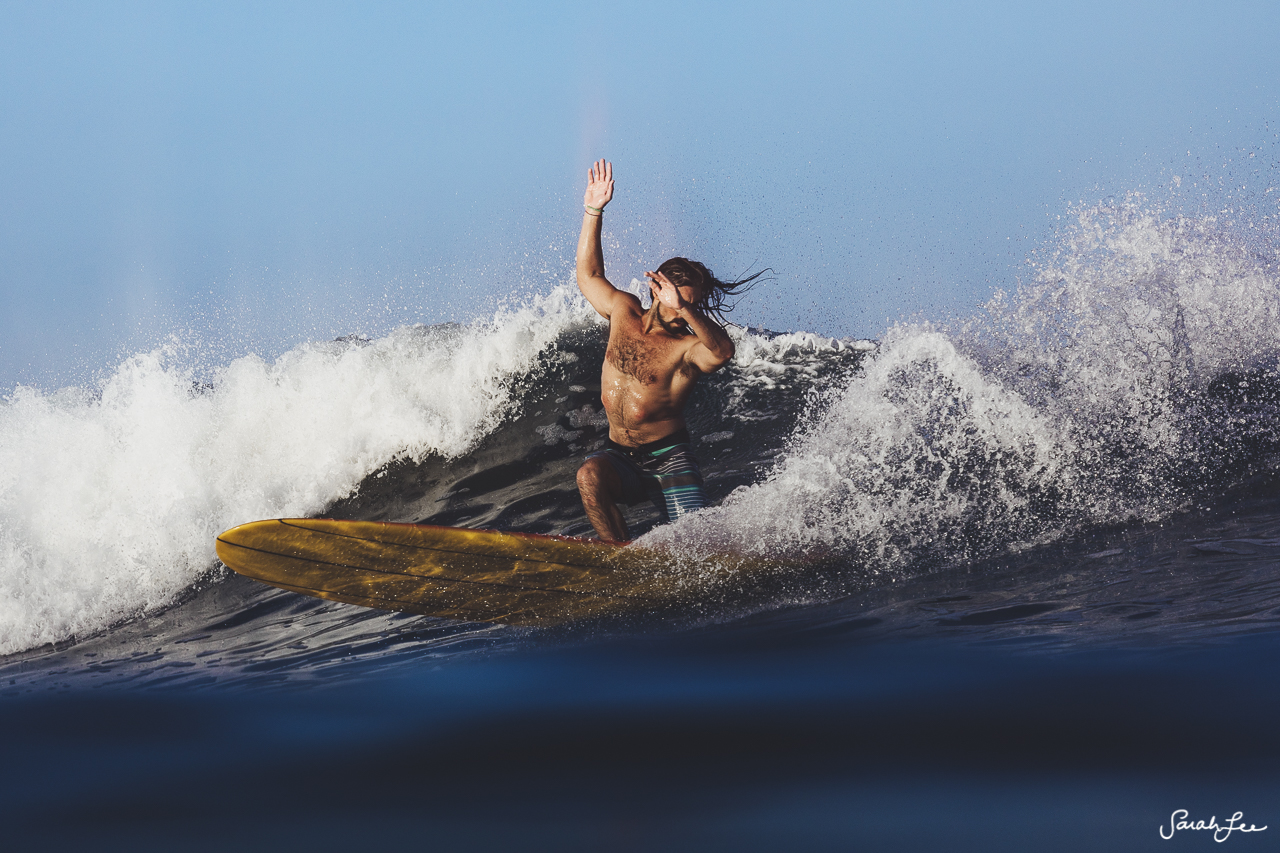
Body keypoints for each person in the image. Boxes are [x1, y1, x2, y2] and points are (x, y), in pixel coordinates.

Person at [574, 159, 764, 541]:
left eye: (687, 306)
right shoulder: (622, 311)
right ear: (655, 290)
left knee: (698, 548)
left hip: (670, 459)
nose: (679, 315)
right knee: (588, 475)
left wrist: (685, 308)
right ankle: (618, 558)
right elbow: (589, 275)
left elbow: (723, 352)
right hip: (618, 455)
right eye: (674, 302)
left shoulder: (687, 348)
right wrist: (593, 210)